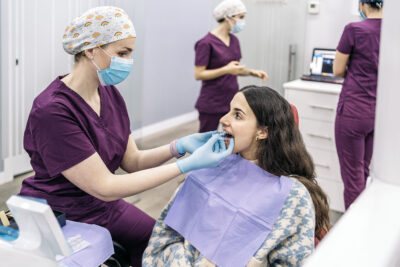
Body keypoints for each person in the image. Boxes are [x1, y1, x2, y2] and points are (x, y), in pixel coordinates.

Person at [19, 6, 233, 266]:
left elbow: (132, 161)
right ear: (90, 50)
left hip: (103, 205)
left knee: (162, 241)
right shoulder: (52, 110)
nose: (128, 61)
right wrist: (186, 165)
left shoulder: (109, 93)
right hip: (65, 211)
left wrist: (178, 147)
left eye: (130, 53)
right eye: (122, 53)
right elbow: (105, 186)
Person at [143, 86, 330, 266]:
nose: (224, 119)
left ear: (263, 131)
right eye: (229, 111)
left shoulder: (292, 196)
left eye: (237, 115)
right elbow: (166, 236)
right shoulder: (206, 169)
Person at [333, 0, 383, 209]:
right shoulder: (392, 30)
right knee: (363, 171)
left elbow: (337, 70)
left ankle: (353, 234)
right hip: (377, 113)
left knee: (353, 179)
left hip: (353, 111)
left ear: (362, 5)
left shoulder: (354, 29)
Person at [194, 0, 268, 133]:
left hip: (231, 100)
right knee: (205, 140)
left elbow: (234, 69)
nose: (242, 22)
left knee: (231, 138)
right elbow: (199, 74)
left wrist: (252, 72)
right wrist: (226, 69)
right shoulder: (205, 43)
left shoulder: (234, 40)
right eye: (241, 17)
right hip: (211, 101)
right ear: (229, 17)